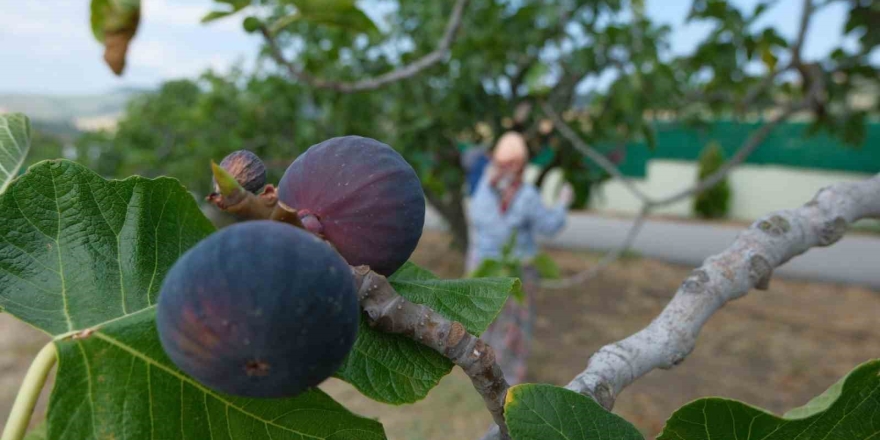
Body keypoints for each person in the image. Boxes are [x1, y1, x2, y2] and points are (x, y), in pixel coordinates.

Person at [467, 131, 573, 384]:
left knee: (485, 320)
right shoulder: (525, 195)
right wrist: (563, 202)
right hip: (515, 272)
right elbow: (549, 225)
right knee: (513, 327)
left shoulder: (482, 185)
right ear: (522, 164)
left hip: (482, 266)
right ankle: (508, 378)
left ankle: (481, 369)